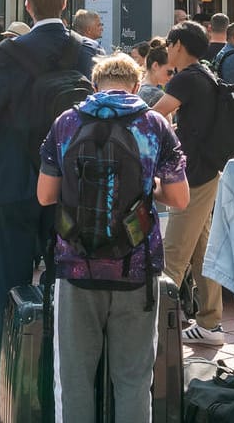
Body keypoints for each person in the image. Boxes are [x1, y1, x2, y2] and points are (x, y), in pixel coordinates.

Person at [0, 0, 96, 407]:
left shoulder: (8, 54)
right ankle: (62, 374)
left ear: (27, 7)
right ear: (64, 5)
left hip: (15, 181)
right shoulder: (86, 52)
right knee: (65, 282)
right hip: (69, 185)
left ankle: (2, 376)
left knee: (10, 281)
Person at [37, 53, 189, 423]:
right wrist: (149, 191)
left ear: (95, 85)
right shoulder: (154, 125)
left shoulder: (67, 122)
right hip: (136, 270)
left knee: (73, 381)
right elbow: (180, 199)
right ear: (137, 86)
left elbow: (45, 195)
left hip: (76, 267)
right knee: (134, 381)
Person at [149, 21, 231, 346]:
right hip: (207, 171)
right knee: (203, 251)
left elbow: (155, 115)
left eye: (169, 44)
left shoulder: (187, 78)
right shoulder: (207, 73)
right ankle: (210, 323)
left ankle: (152, 329)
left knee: (173, 257)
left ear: (178, 44)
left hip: (193, 176)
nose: (167, 50)